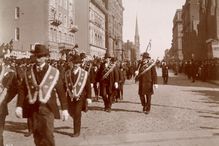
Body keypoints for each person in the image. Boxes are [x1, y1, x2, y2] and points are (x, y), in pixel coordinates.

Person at [15, 44, 69, 146]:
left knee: (48, 135)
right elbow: (22, 90)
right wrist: (19, 106)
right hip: (33, 109)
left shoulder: (53, 72)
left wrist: (65, 109)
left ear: (45, 57)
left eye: (40, 56)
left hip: (48, 108)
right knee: (37, 136)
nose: (38, 59)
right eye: (36, 56)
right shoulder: (29, 71)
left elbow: (61, 92)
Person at [64, 54, 91, 137]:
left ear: (80, 64)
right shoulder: (67, 73)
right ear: (72, 63)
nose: (76, 64)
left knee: (77, 112)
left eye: (77, 63)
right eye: (74, 63)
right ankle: (76, 120)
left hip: (80, 96)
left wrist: (89, 97)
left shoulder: (84, 73)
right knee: (71, 112)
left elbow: (88, 86)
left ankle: (76, 132)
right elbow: (65, 85)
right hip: (71, 96)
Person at [0, 53, 18, 146]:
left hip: (1, 108)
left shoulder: (9, 73)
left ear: (2, 60)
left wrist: (5, 100)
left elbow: (15, 89)